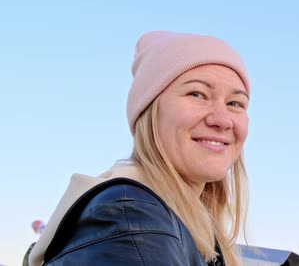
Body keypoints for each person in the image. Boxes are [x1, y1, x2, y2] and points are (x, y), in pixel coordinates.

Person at [26, 30, 251, 266]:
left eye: (235, 103)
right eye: (197, 94)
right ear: (149, 112)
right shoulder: (132, 221)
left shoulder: (183, 228)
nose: (223, 120)